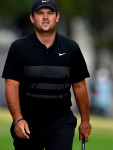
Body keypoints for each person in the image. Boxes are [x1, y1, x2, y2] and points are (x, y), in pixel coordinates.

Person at [1, 0, 92, 150]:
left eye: (50, 13)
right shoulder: (19, 47)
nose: (45, 17)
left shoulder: (71, 48)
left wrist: (85, 121)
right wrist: (17, 119)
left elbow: (79, 86)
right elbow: (11, 85)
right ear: (32, 18)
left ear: (57, 17)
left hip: (61, 121)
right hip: (28, 121)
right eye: (40, 13)